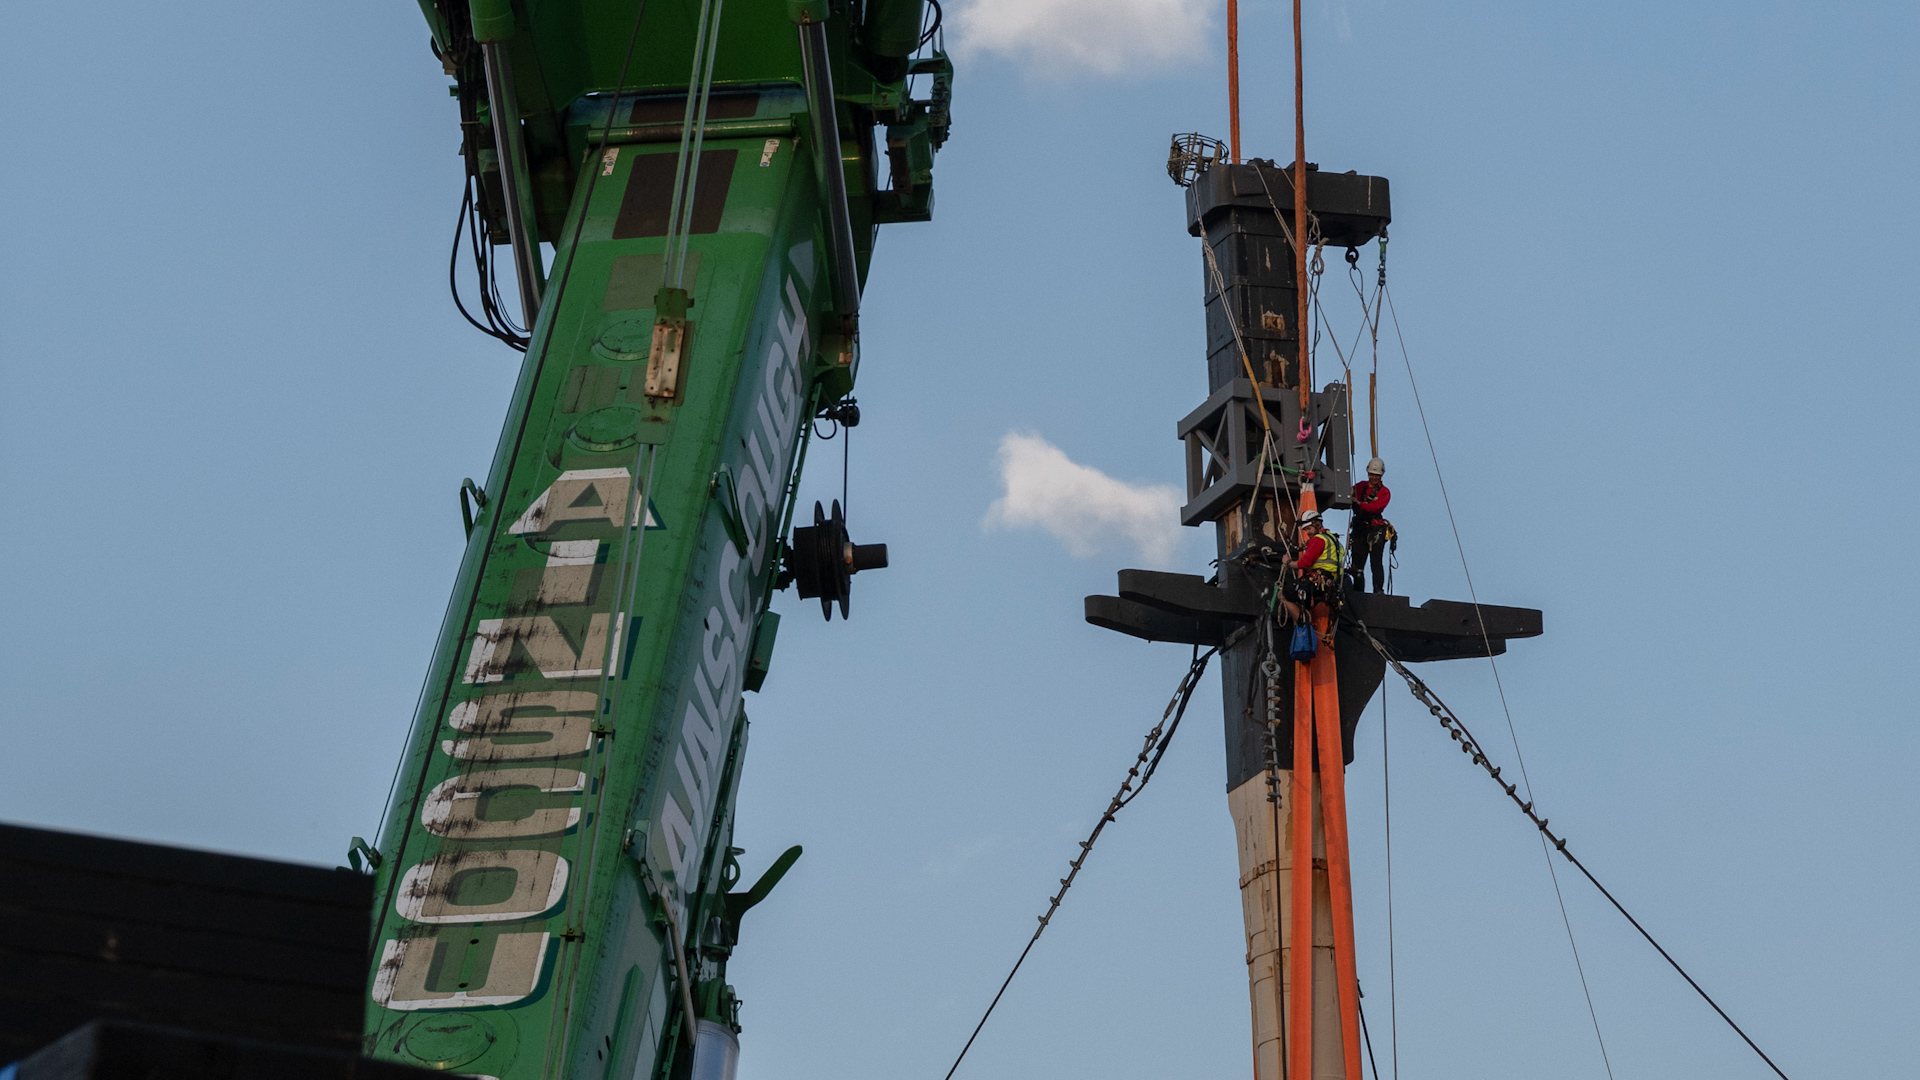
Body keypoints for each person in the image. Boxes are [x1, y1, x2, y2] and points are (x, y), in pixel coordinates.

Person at [1348, 457, 1393, 593]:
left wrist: (1359, 503)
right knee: (1357, 563)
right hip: (1360, 527)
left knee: (1376, 560)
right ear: (1368, 473)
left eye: (1377, 475)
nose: (1374, 477)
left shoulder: (1384, 492)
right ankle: (1358, 591)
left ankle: (1378, 589)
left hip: (1375, 528)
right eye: (1372, 474)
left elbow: (1375, 508)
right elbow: (1348, 495)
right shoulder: (1360, 487)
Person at [1292, 510, 1344, 610]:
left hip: (1318, 580)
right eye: (1305, 530)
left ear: (1318, 524)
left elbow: (1305, 563)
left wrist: (1288, 562)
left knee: (1285, 594)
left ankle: (1300, 625)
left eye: (1309, 529)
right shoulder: (1333, 539)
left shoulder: (1318, 540)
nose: (1307, 533)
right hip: (1333, 583)